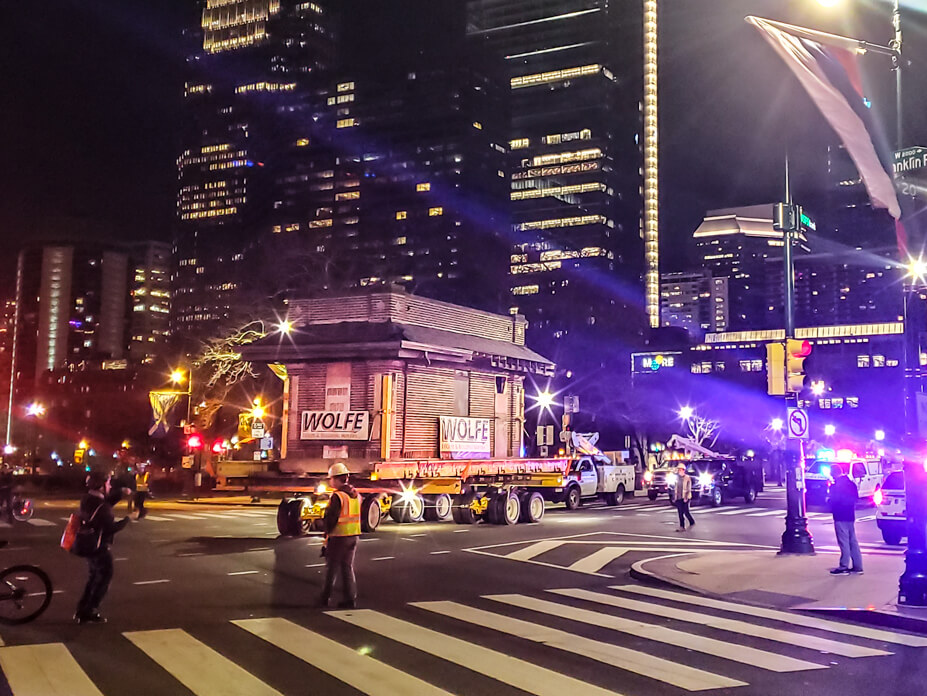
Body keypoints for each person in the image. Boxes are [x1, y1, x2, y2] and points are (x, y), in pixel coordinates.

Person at [75, 471, 134, 624]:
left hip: (88, 544)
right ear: (101, 487)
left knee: (94, 577)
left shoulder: (88, 499)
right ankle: (90, 610)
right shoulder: (101, 506)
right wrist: (128, 519)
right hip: (99, 546)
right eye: (107, 483)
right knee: (104, 577)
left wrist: (120, 493)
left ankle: (82, 609)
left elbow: (105, 503)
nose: (109, 486)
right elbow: (110, 527)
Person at [318, 462, 360, 609]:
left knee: (331, 568)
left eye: (331, 479)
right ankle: (350, 599)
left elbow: (332, 518)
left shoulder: (338, 496)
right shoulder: (355, 494)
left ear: (336, 479)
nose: (330, 481)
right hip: (353, 536)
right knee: (347, 568)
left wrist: (326, 532)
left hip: (339, 537)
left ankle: (324, 598)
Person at [829, 471, 863, 575]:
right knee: (853, 541)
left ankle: (844, 566)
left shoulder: (835, 486)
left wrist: (829, 501)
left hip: (840, 515)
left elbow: (834, 500)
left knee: (843, 542)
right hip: (850, 515)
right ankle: (858, 566)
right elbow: (856, 499)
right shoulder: (851, 484)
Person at [672, 463, 696, 532]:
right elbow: (676, 488)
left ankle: (691, 521)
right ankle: (682, 526)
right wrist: (675, 497)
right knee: (680, 512)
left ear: (683, 470)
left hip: (685, 497)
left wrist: (686, 497)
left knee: (686, 512)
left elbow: (689, 488)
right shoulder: (677, 478)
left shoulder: (687, 478)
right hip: (679, 497)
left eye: (680, 470)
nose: (679, 471)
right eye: (678, 470)